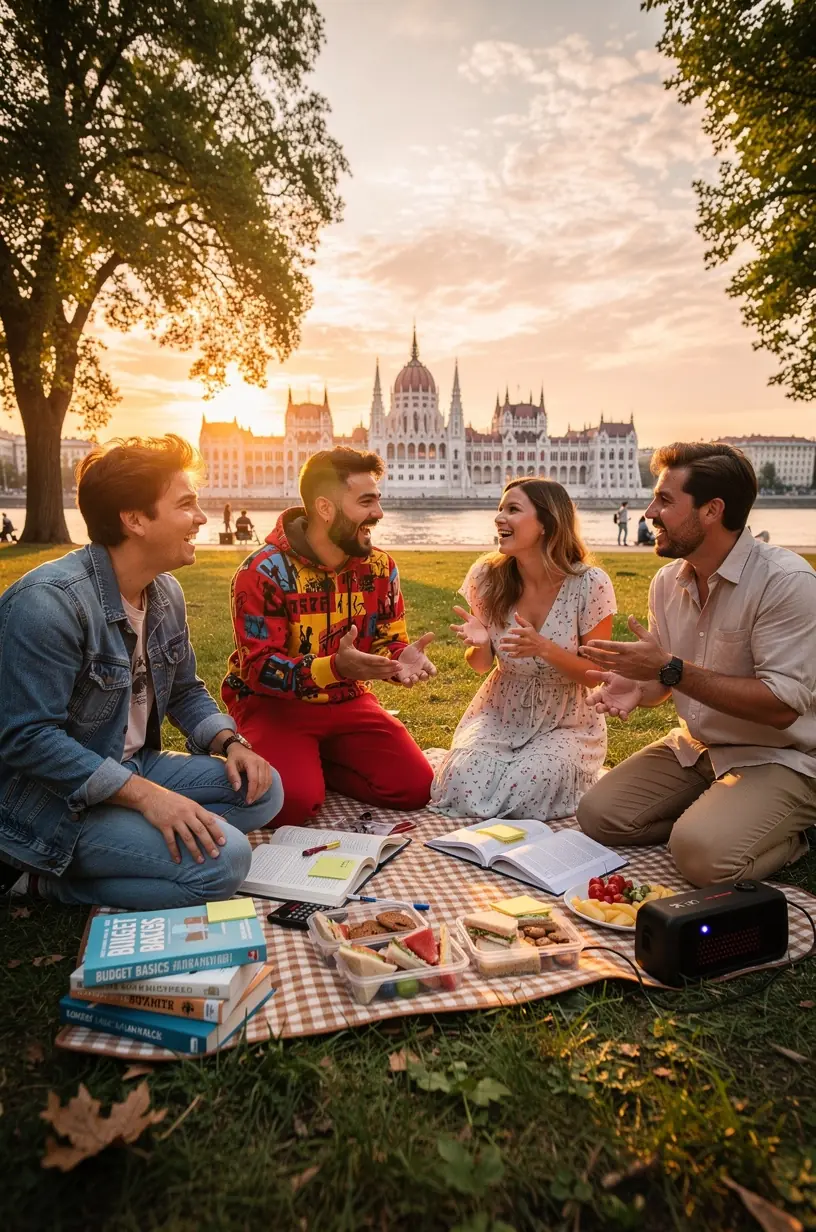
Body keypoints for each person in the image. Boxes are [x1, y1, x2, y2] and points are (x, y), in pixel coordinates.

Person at [0, 435, 282, 908]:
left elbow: (186, 691)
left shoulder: (164, 592)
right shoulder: (49, 604)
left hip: (130, 765)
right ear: (135, 520)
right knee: (226, 861)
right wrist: (147, 798)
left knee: (264, 789)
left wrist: (230, 743)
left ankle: (137, 844)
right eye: (186, 504)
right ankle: (37, 881)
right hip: (49, 799)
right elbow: (26, 738)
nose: (201, 518)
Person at [577, 442, 816, 886]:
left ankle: (791, 834)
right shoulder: (668, 582)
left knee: (702, 858)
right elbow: (665, 681)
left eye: (666, 500)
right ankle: (716, 820)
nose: (649, 512)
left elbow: (782, 707)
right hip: (699, 748)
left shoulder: (787, 582)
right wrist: (639, 686)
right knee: (597, 815)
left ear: (712, 511)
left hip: (781, 757)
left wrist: (669, 669)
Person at [222, 447, 437, 827]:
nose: (379, 513)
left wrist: (399, 658)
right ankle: (294, 766)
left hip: (347, 700)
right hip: (274, 705)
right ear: (325, 508)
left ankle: (315, 764)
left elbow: (389, 636)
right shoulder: (261, 571)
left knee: (415, 788)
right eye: (366, 501)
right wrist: (334, 666)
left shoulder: (380, 567)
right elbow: (259, 669)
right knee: (289, 806)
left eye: (378, 499)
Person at [429, 479, 616, 820]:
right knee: (462, 778)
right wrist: (481, 644)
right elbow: (480, 666)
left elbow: (594, 676)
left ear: (547, 523)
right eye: (500, 509)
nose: (499, 518)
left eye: (513, 509)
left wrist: (544, 648)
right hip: (500, 710)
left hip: (568, 720)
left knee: (528, 785)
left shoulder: (590, 584)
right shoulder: (487, 576)